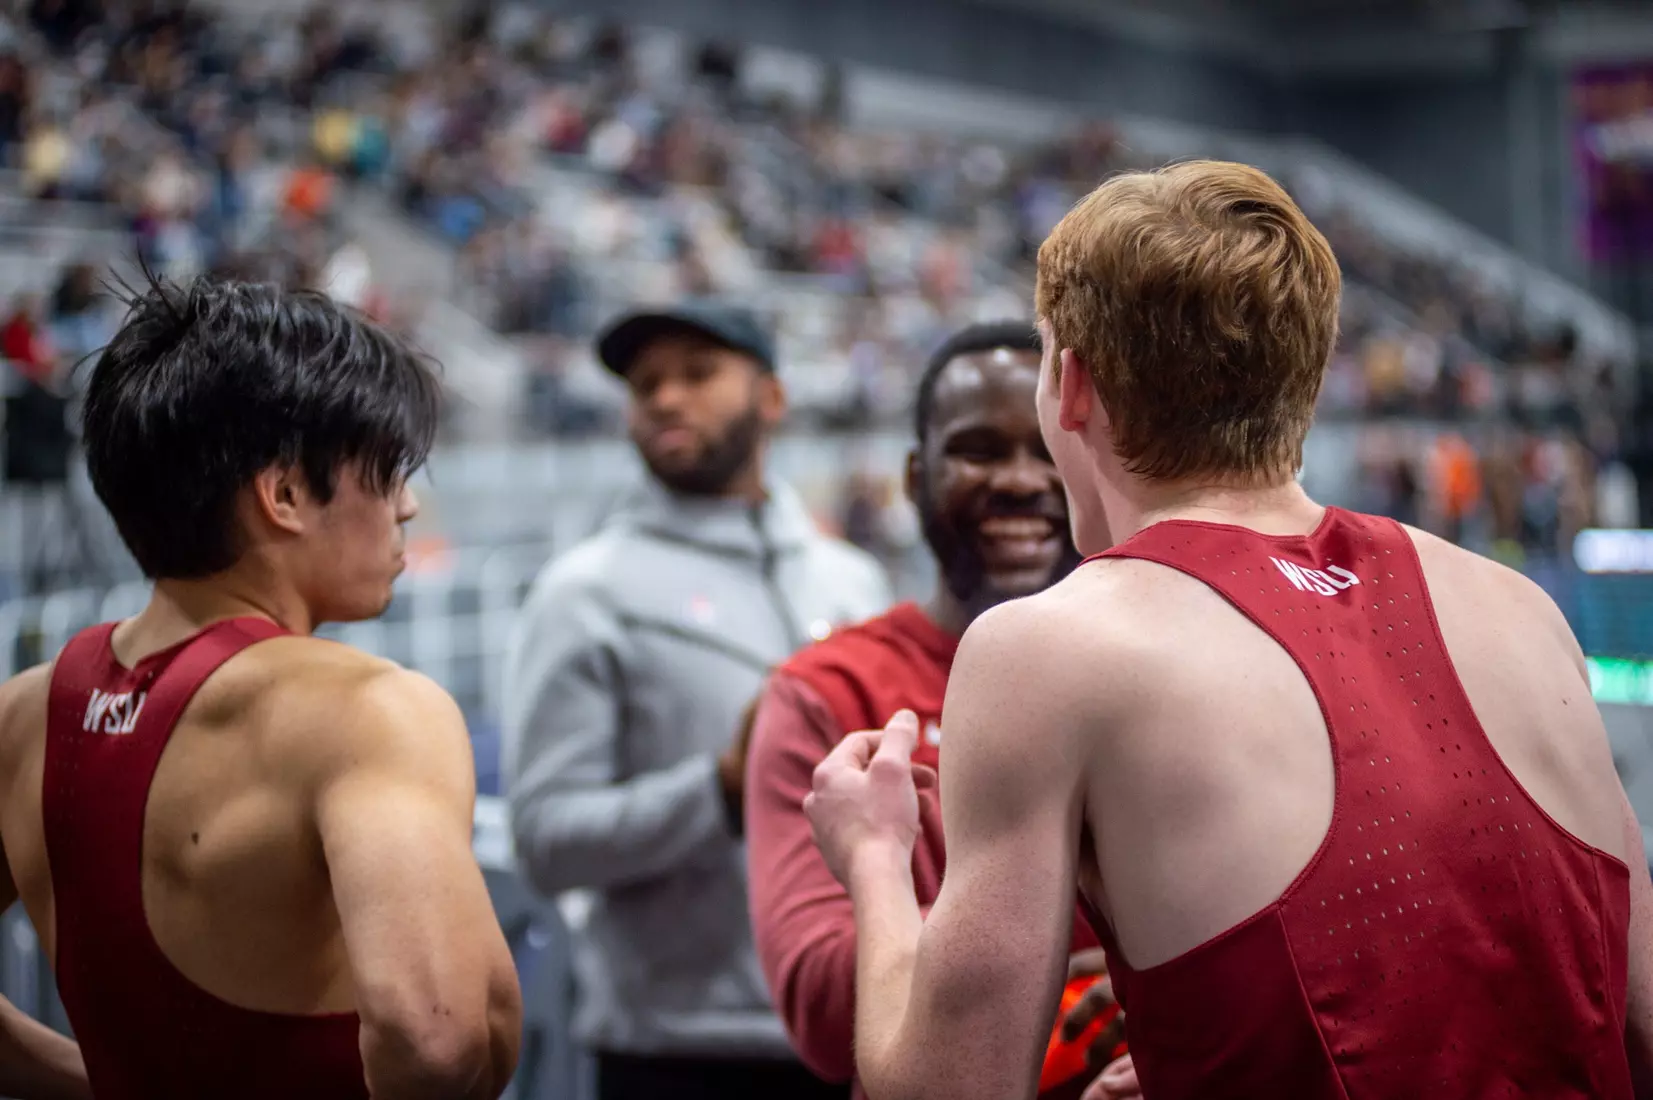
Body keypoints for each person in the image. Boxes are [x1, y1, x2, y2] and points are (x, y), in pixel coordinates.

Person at [805, 160, 1653, 1100]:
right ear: (1305, 379)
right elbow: (1632, 1017)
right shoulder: (1517, 609)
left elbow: (945, 1090)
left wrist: (875, 863)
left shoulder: (1046, 651)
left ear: (1072, 386)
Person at [0, 274, 523, 1099]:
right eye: (386, 473)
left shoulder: (25, 713)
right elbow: (436, 1038)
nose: (409, 506)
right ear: (281, 496)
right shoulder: (371, 713)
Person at [503, 302, 890, 1100]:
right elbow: (545, 841)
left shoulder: (850, 580)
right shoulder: (584, 593)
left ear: (771, 399)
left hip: (862, 1030)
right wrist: (719, 787)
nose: (667, 398)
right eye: (647, 383)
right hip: (678, 1055)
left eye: (698, 373)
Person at [745, 321, 1131, 1100]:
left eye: (1051, 447)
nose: (1021, 479)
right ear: (918, 474)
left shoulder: (1163, 663)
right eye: (980, 450)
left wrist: (897, 902)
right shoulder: (828, 692)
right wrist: (1133, 968)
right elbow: (824, 1013)